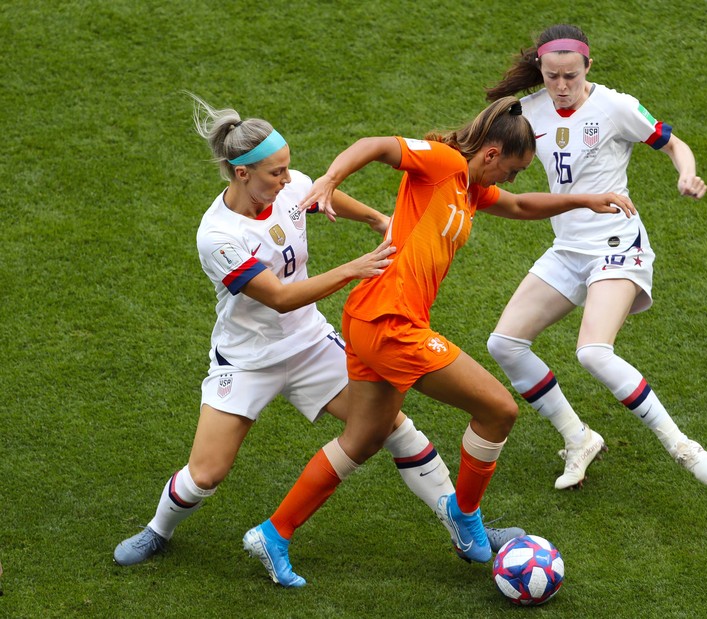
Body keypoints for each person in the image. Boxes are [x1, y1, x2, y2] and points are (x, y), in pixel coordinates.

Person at [113, 94, 524, 568]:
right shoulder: (218, 236)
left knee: (388, 427)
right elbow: (282, 297)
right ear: (241, 173)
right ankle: (156, 531)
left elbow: (317, 193)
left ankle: (463, 521)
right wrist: (354, 269)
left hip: (309, 344)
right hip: (248, 358)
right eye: (276, 173)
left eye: (288, 169)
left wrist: (373, 217)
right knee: (207, 473)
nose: (288, 180)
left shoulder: (286, 187)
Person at [242, 96, 637, 587]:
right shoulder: (444, 164)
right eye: (512, 169)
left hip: (371, 319)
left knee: (362, 438)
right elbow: (376, 145)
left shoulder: (471, 188)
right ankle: (464, 516)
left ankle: (272, 533)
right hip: (390, 323)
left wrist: (586, 199)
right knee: (498, 410)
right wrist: (330, 179)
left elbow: (518, 205)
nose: (511, 180)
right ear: (491, 153)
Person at [483, 25, 707, 490]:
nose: (562, 85)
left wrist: (687, 175)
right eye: (552, 76)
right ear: (541, 71)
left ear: (588, 67)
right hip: (568, 248)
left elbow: (673, 143)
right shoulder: (528, 113)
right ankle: (578, 438)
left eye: (571, 75)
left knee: (593, 352)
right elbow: (486, 152)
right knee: (504, 344)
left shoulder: (616, 106)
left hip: (617, 246)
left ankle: (681, 445)